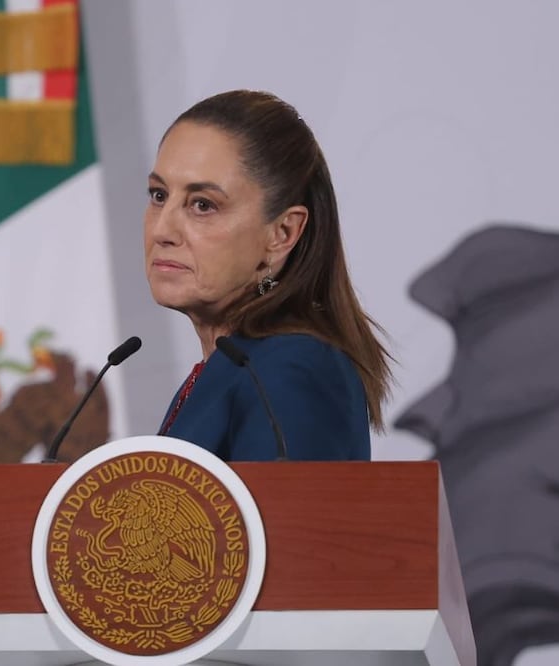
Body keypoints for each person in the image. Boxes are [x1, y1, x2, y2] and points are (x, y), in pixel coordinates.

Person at [144, 90, 392, 462]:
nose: (162, 229)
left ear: (282, 233)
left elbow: (293, 520)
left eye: (202, 205)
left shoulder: (291, 368)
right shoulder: (233, 365)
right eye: (159, 195)